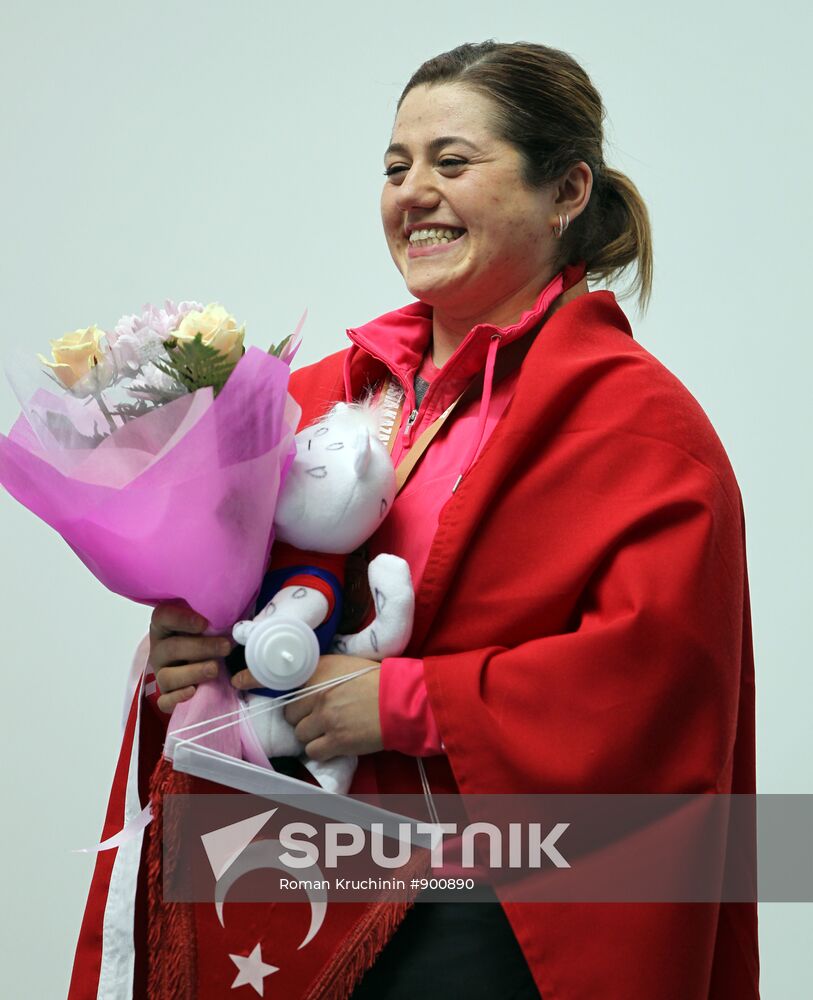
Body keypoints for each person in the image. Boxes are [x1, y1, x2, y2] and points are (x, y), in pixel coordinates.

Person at [74, 40, 759, 1000]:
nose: (412, 193)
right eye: (395, 168)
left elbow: (651, 679)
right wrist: (186, 644)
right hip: (279, 889)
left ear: (566, 188)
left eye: (451, 161)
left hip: (490, 912)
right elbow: (239, 593)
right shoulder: (312, 397)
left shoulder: (636, 423)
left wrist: (402, 702)